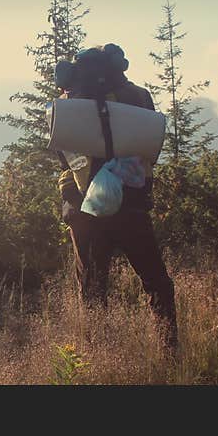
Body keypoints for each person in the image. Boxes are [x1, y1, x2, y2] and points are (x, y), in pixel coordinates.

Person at [55, 44, 178, 351]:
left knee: (93, 290)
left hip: (84, 209)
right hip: (131, 204)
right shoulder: (137, 97)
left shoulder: (67, 103)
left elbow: (63, 157)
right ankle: (170, 351)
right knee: (156, 282)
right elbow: (152, 147)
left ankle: (98, 358)